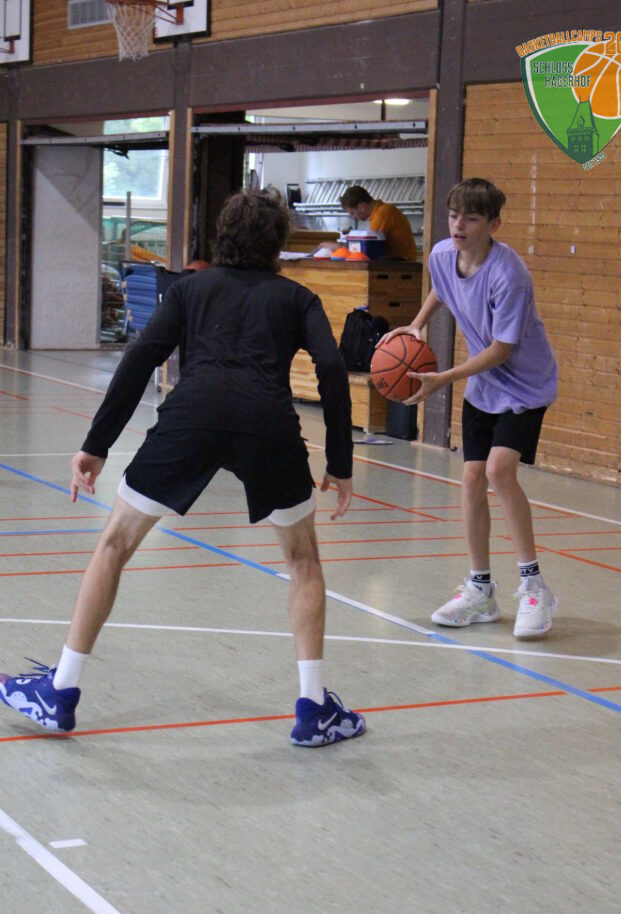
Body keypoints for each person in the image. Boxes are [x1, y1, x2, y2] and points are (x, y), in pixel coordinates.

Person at [0, 192, 366, 747]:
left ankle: (62, 690)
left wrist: (97, 445)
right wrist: (340, 460)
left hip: (192, 415)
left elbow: (140, 356)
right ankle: (313, 708)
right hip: (267, 423)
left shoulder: (189, 289)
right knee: (303, 561)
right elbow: (333, 366)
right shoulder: (298, 298)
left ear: (222, 236)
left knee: (113, 545)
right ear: (276, 247)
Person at [385, 177, 559, 639]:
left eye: (471, 218)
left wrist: (444, 378)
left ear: (493, 225)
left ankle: (535, 587)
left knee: (500, 472)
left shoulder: (509, 275)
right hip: (484, 385)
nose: (458, 225)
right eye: (453, 216)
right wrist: (417, 325)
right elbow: (443, 289)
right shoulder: (443, 255)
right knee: (470, 478)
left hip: (524, 384)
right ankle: (481, 590)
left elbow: (503, 348)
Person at [339, 185, 417, 261]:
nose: (353, 217)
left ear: (361, 207)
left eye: (352, 213)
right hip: (402, 264)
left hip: (401, 266)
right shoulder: (384, 211)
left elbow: (370, 248)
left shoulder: (382, 214)